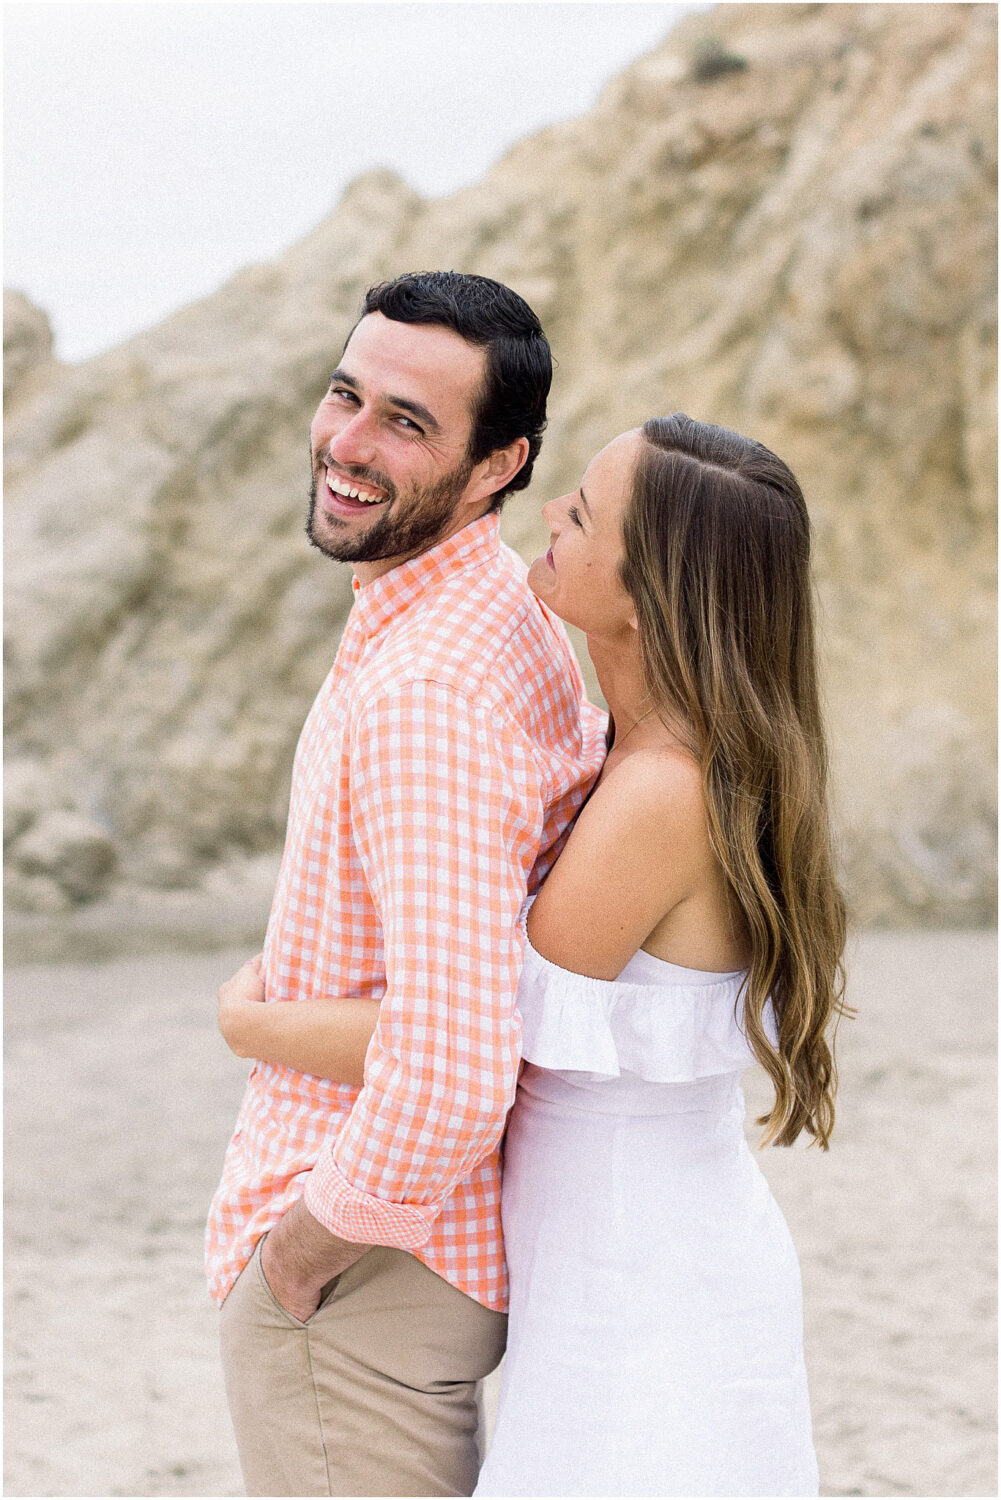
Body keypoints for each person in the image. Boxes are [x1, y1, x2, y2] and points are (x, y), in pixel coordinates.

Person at [219, 412, 848, 1498]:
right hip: (624, 1245)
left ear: (652, 588)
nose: (550, 511)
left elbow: (466, 1032)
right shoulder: (639, 750)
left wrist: (250, 1022)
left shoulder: (659, 793)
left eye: (584, 512)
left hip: (637, 1267)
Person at [206, 270, 606, 1498]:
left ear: (499, 466)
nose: (348, 444)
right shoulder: (499, 613)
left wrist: (299, 1256)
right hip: (424, 1261)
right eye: (345, 396)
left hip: (363, 1282)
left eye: (407, 422)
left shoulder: (427, 693)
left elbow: (453, 1058)